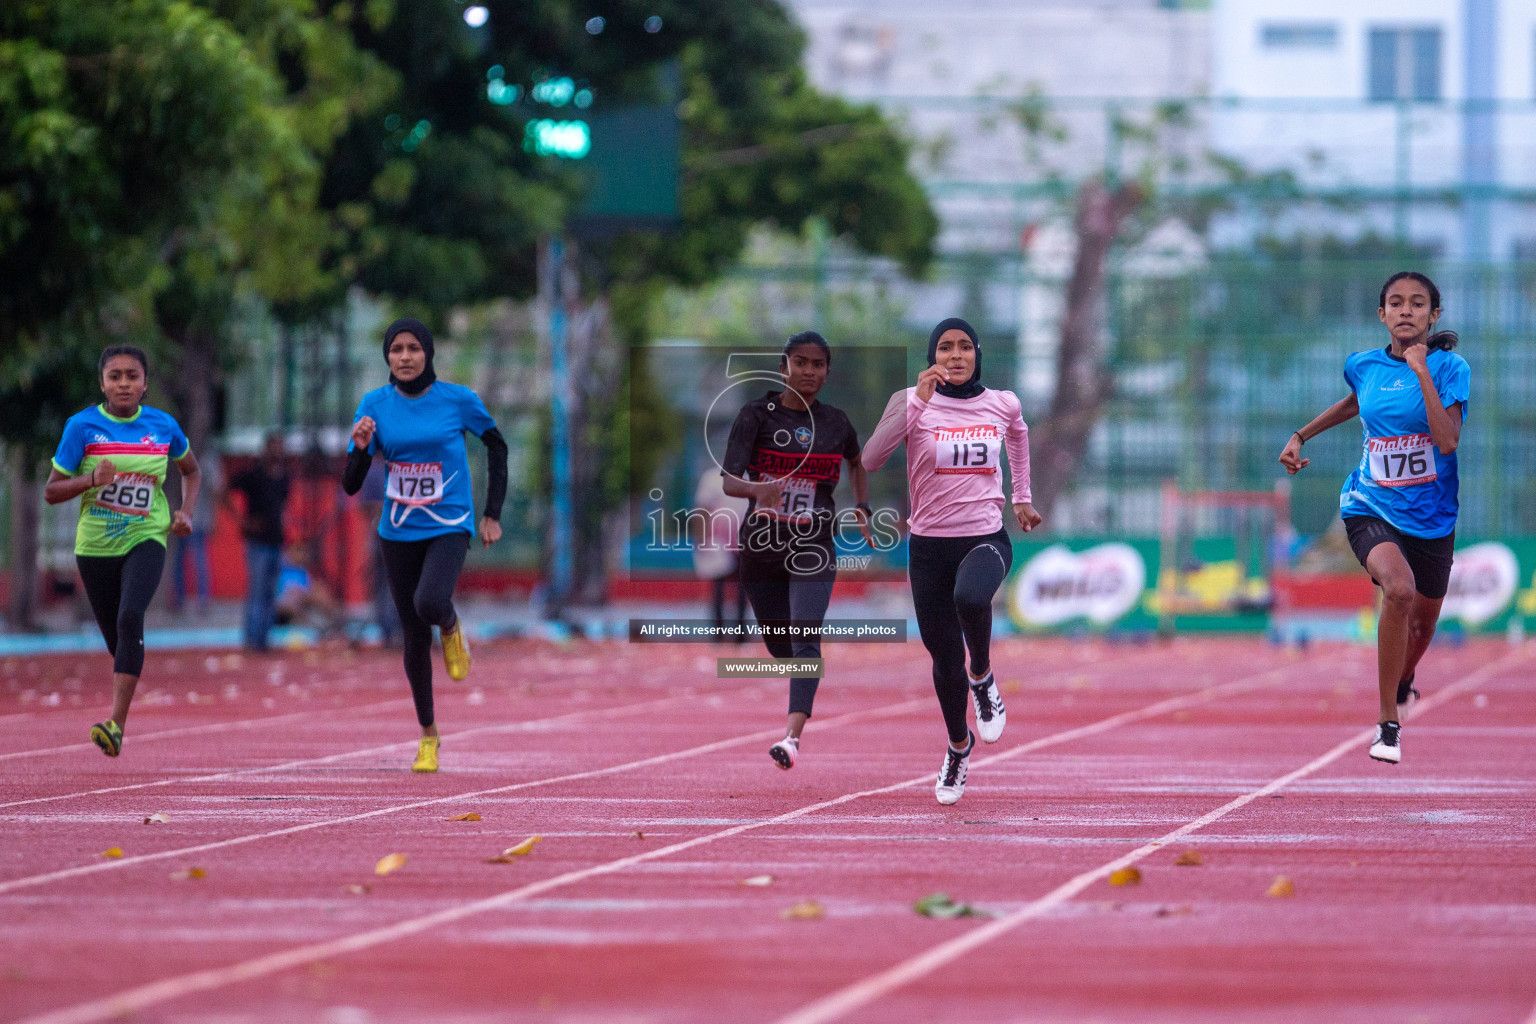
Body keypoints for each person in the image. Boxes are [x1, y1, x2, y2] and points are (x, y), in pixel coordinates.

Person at [1279, 271, 1468, 765]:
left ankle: (1405, 679)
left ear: (1434, 315)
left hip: (1432, 519)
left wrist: (1421, 371)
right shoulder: (1362, 365)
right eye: (1396, 303)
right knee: (1398, 590)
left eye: (1418, 304)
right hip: (1370, 504)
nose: (1407, 311)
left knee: (1423, 628)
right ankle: (1389, 724)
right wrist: (1302, 435)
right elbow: (1352, 403)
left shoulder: (1451, 368)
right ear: (1382, 314)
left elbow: (1447, 441)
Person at [862, 317, 1041, 805]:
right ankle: (958, 747)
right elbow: (872, 459)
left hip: (984, 537)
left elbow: (1020, 439)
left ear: (978, 353)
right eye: (945, 348)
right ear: (931, 357)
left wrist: (1021, 497)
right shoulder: (909, 401)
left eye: (965, 347)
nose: (955, 356)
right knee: (943, 658)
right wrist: (918, 402)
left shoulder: (1002, 403)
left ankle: (982, 675)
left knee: (971, 596)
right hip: (928, 548)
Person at [341, 317, 508, 773]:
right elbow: (352, 485)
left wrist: (491, 514)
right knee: (412, 634)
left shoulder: (458, 400)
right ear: (387, 357)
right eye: (397, 350)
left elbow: (497, 446)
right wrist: (358, 449)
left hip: (450, 520)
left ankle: (451, 625)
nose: (406, 357)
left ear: (428, 353)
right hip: (398, 528)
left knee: (431, 601)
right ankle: (428, 735)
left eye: (414, 348)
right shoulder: (374, 405)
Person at [721, 331, 874, 770]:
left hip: (814, 545)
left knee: (806, 636)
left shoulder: (836, 423)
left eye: (818, 364)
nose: (809, 371)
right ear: (784, 365)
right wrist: (759, 488)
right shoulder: (755, 416)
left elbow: (857, 460)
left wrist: (862, 507)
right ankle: (804, 674)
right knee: (781, 644)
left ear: (828, 371)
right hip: (762, 546)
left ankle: (791, 738)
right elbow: (729, 481)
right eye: (801, 363)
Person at [44, 345, 201, 757]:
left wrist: (185, 511)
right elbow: (51, 491)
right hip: (94, 547)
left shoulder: (163, 426)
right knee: (119, 640)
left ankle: (116, 724)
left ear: (145, 383)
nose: (124, 384)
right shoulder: (81, 428)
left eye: (132, 376)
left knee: (131, 617)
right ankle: (130, 669)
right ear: (102, 384)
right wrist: (92, 478)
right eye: (115, 377)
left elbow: (192, 471)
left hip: (147, 535)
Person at [227, 432, 290, 652]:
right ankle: (252, 640)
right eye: (275, 447)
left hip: (276, 541)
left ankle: (263, 640)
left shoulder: (283, 477)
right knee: (257, 591)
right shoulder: (253, 475)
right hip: (257, 542)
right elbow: (224, 490)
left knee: (270, 592)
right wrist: (241, 519)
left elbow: (283, 508)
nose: (279, 452)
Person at [691, 465, 749, 644]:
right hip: (718, 543)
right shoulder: (711, 478)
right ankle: (718, 633)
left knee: (743, 589)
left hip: (743, 542)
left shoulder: (750, 478)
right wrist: (701, 540)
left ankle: (740, 634)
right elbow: (702, 511)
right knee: (719, 589)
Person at [169, 442, 218, 615]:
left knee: (197, 559)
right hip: (180, 516)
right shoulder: (174, 450)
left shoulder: (205, 453)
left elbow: (215, 487)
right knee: (180, 559)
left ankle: (202, 600)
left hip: (196, 517)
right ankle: (180, 600)